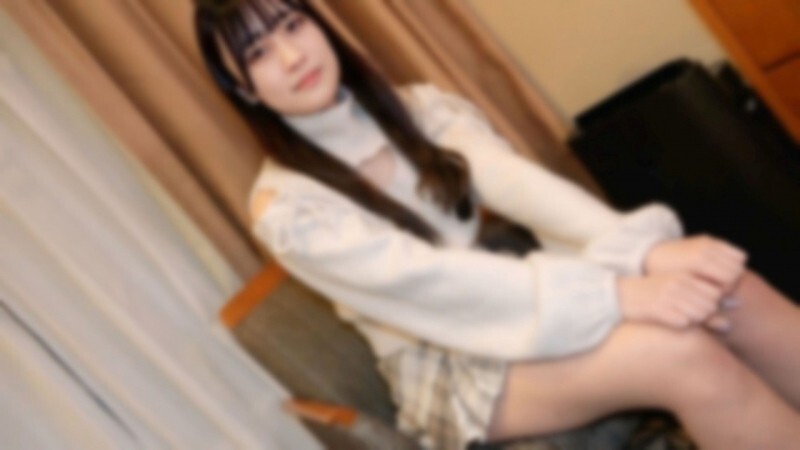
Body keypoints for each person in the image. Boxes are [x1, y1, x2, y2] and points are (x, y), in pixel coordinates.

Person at [194, 1, 800, 449]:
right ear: (242, 89)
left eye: (292, 25)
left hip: (516, 295)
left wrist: (641, 255)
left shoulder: (418, 108)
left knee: (726, 290)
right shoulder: (289, 212)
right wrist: (618, 292)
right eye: (258, 54)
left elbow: (514, 183)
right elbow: (434, 284)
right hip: (449, 362)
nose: (292, 56)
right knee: (680, 353)